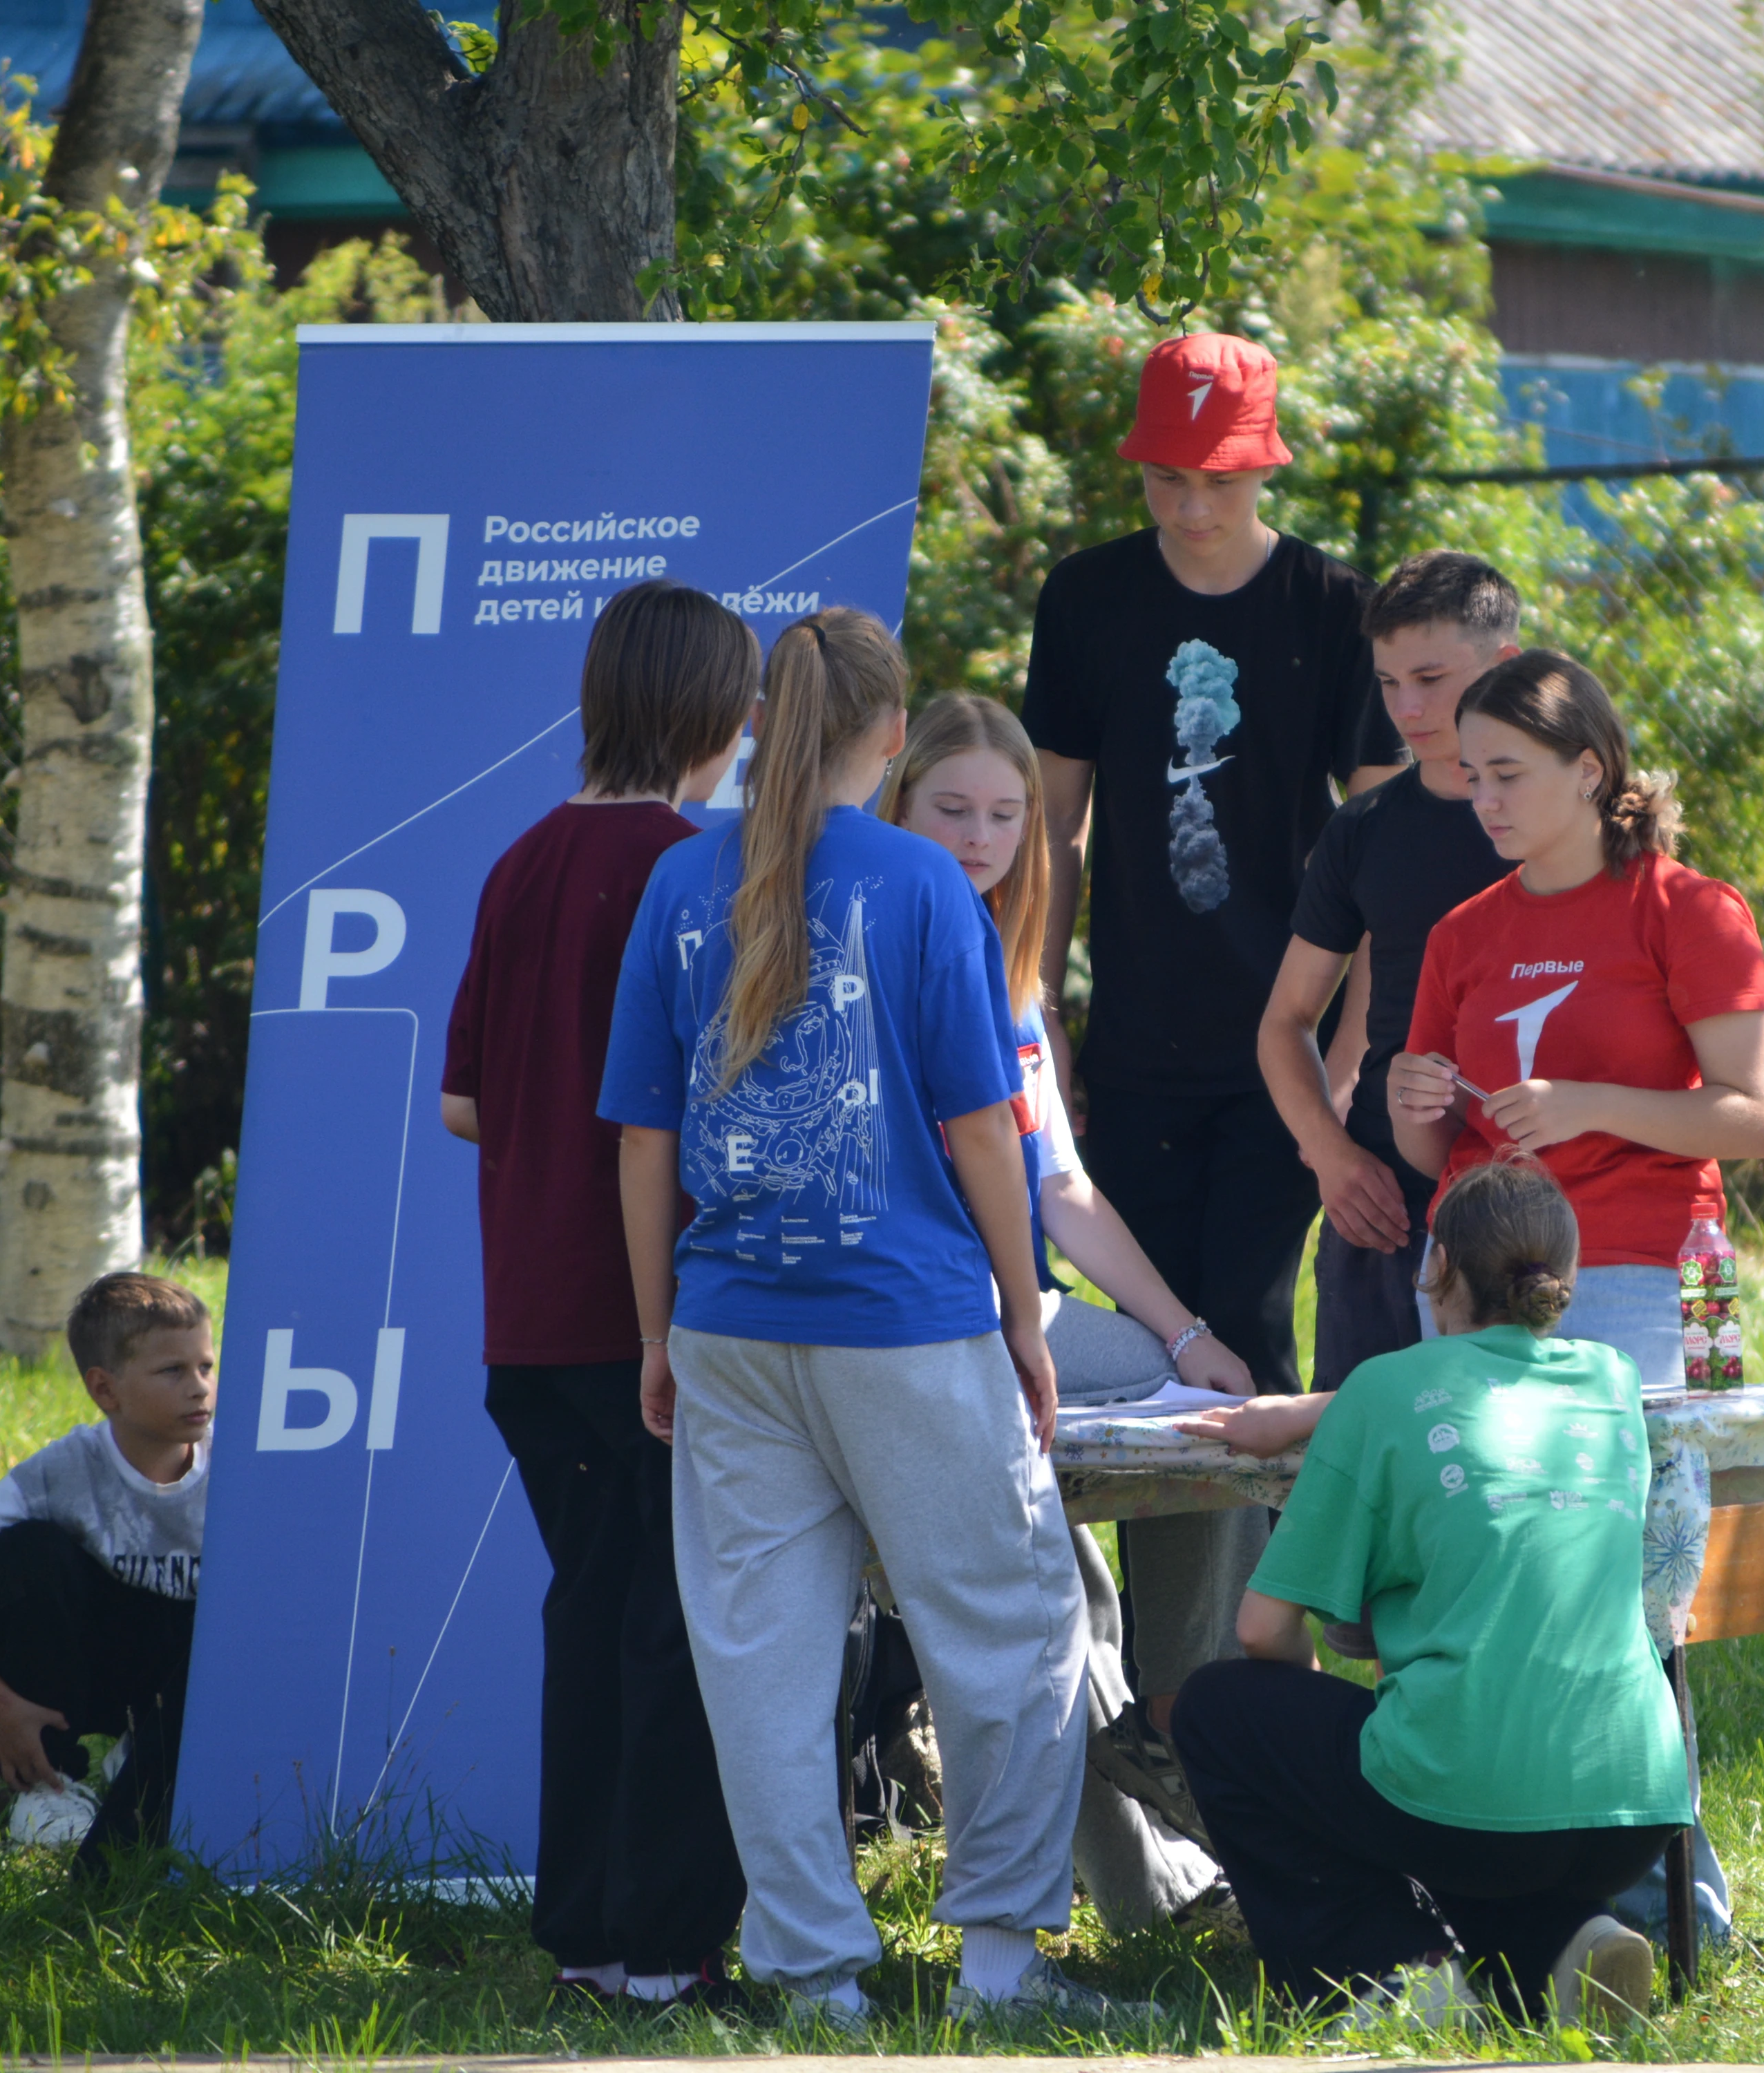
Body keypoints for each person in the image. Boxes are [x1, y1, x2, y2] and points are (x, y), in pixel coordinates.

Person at [601, 607, 1131, 2029]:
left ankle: (814, 1976)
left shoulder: (676, 884)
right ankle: (1001, 1970)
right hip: (907, 1321)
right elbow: (980, 1129)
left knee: (760, 1658)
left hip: (726, 1324)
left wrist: (656, 1334)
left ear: (765, 722)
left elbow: (643, 1143)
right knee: (1012, 1627)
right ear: (892, 739)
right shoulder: (920, 886)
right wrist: (1026, 1318)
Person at [1018, 328, 1402, 1794]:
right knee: (1135, 1345)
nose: (1190, 508)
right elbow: (1050, 828)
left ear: (1266, 466)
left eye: (1217, 480)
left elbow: (1376, 853)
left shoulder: (1329, 603)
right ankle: (1136, 1692)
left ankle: (1212, 1702)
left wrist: (1348, 1064)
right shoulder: (1089, 597)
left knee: (1239, 1336)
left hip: (1284, 1054)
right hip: (1123, 1045)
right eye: (1168, 478)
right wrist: (1037, 1005)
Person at [1385, 647, 1764, 1944]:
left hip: (1642, 1274)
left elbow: (1754, 1117)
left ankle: (1672, 1888)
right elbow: (1437, 1151)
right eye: (1467, 776)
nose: (1483, 799)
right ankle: (1516, 1895)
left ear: (1591, 772)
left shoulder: (1687, 908)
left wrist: (1587, 1108)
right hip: (1472, 1284)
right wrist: (1406, 1113)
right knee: (1481, 1582)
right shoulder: (1463, 931)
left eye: (1508, 773)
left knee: (1614, 1589)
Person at [880, 690, 1252, 1929]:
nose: (983, 836)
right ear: (896, 803)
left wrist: (1190, 1337)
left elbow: (1062, 1186)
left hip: (1020, 1308)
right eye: (953, 810)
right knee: (1062, 1604)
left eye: (1005, 814)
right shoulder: (867, 934)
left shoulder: (1011, 961)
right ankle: (1171, 1791)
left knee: (1198, 1417)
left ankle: (1180, 1734)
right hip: (909, 1324)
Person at [438, 579, 755, 2009]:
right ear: (723, 712)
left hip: (528, 1317)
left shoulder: (519, 862)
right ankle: (663, 1944)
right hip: (662, 1323)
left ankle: (579, 1929)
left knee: (591, 1614)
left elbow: (461, 1105)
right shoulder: (699, 872)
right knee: (677, 1631)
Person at [1167, 1160, 1687, 2029]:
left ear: (1435, 1267)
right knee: (1463, 1812)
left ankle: (1389, 1977)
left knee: (1221, 1709)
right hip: (1637, 1804)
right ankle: (1564, 1948)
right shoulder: (1612, 1380)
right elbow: (1472, 1380)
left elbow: (1263, 1632)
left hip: (1471, 1794)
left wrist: (1305, 1412)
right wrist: (1318, 1408)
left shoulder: (1384, 1390)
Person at [1259, 552, 1522, 1398]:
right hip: (1386, 1207)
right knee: (1361, 1465)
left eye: (1431, 678)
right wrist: (1330, 1156)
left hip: (1546, 1199)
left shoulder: (1578, 819)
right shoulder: (1363, 827)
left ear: (1504, 665)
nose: (1406, 709)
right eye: (1386, 682)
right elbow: (1284, 1022)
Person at [0, 1272, 214, 1882]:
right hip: (90, 1665)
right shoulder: (57, 1474)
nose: (200, 1389)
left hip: (186, 1677)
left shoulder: (247, 1461)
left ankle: (147, 1754)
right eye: (172, 1372)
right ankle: (46, 1784)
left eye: (206, 1366)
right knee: (25, 1553)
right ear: (106, 1390)